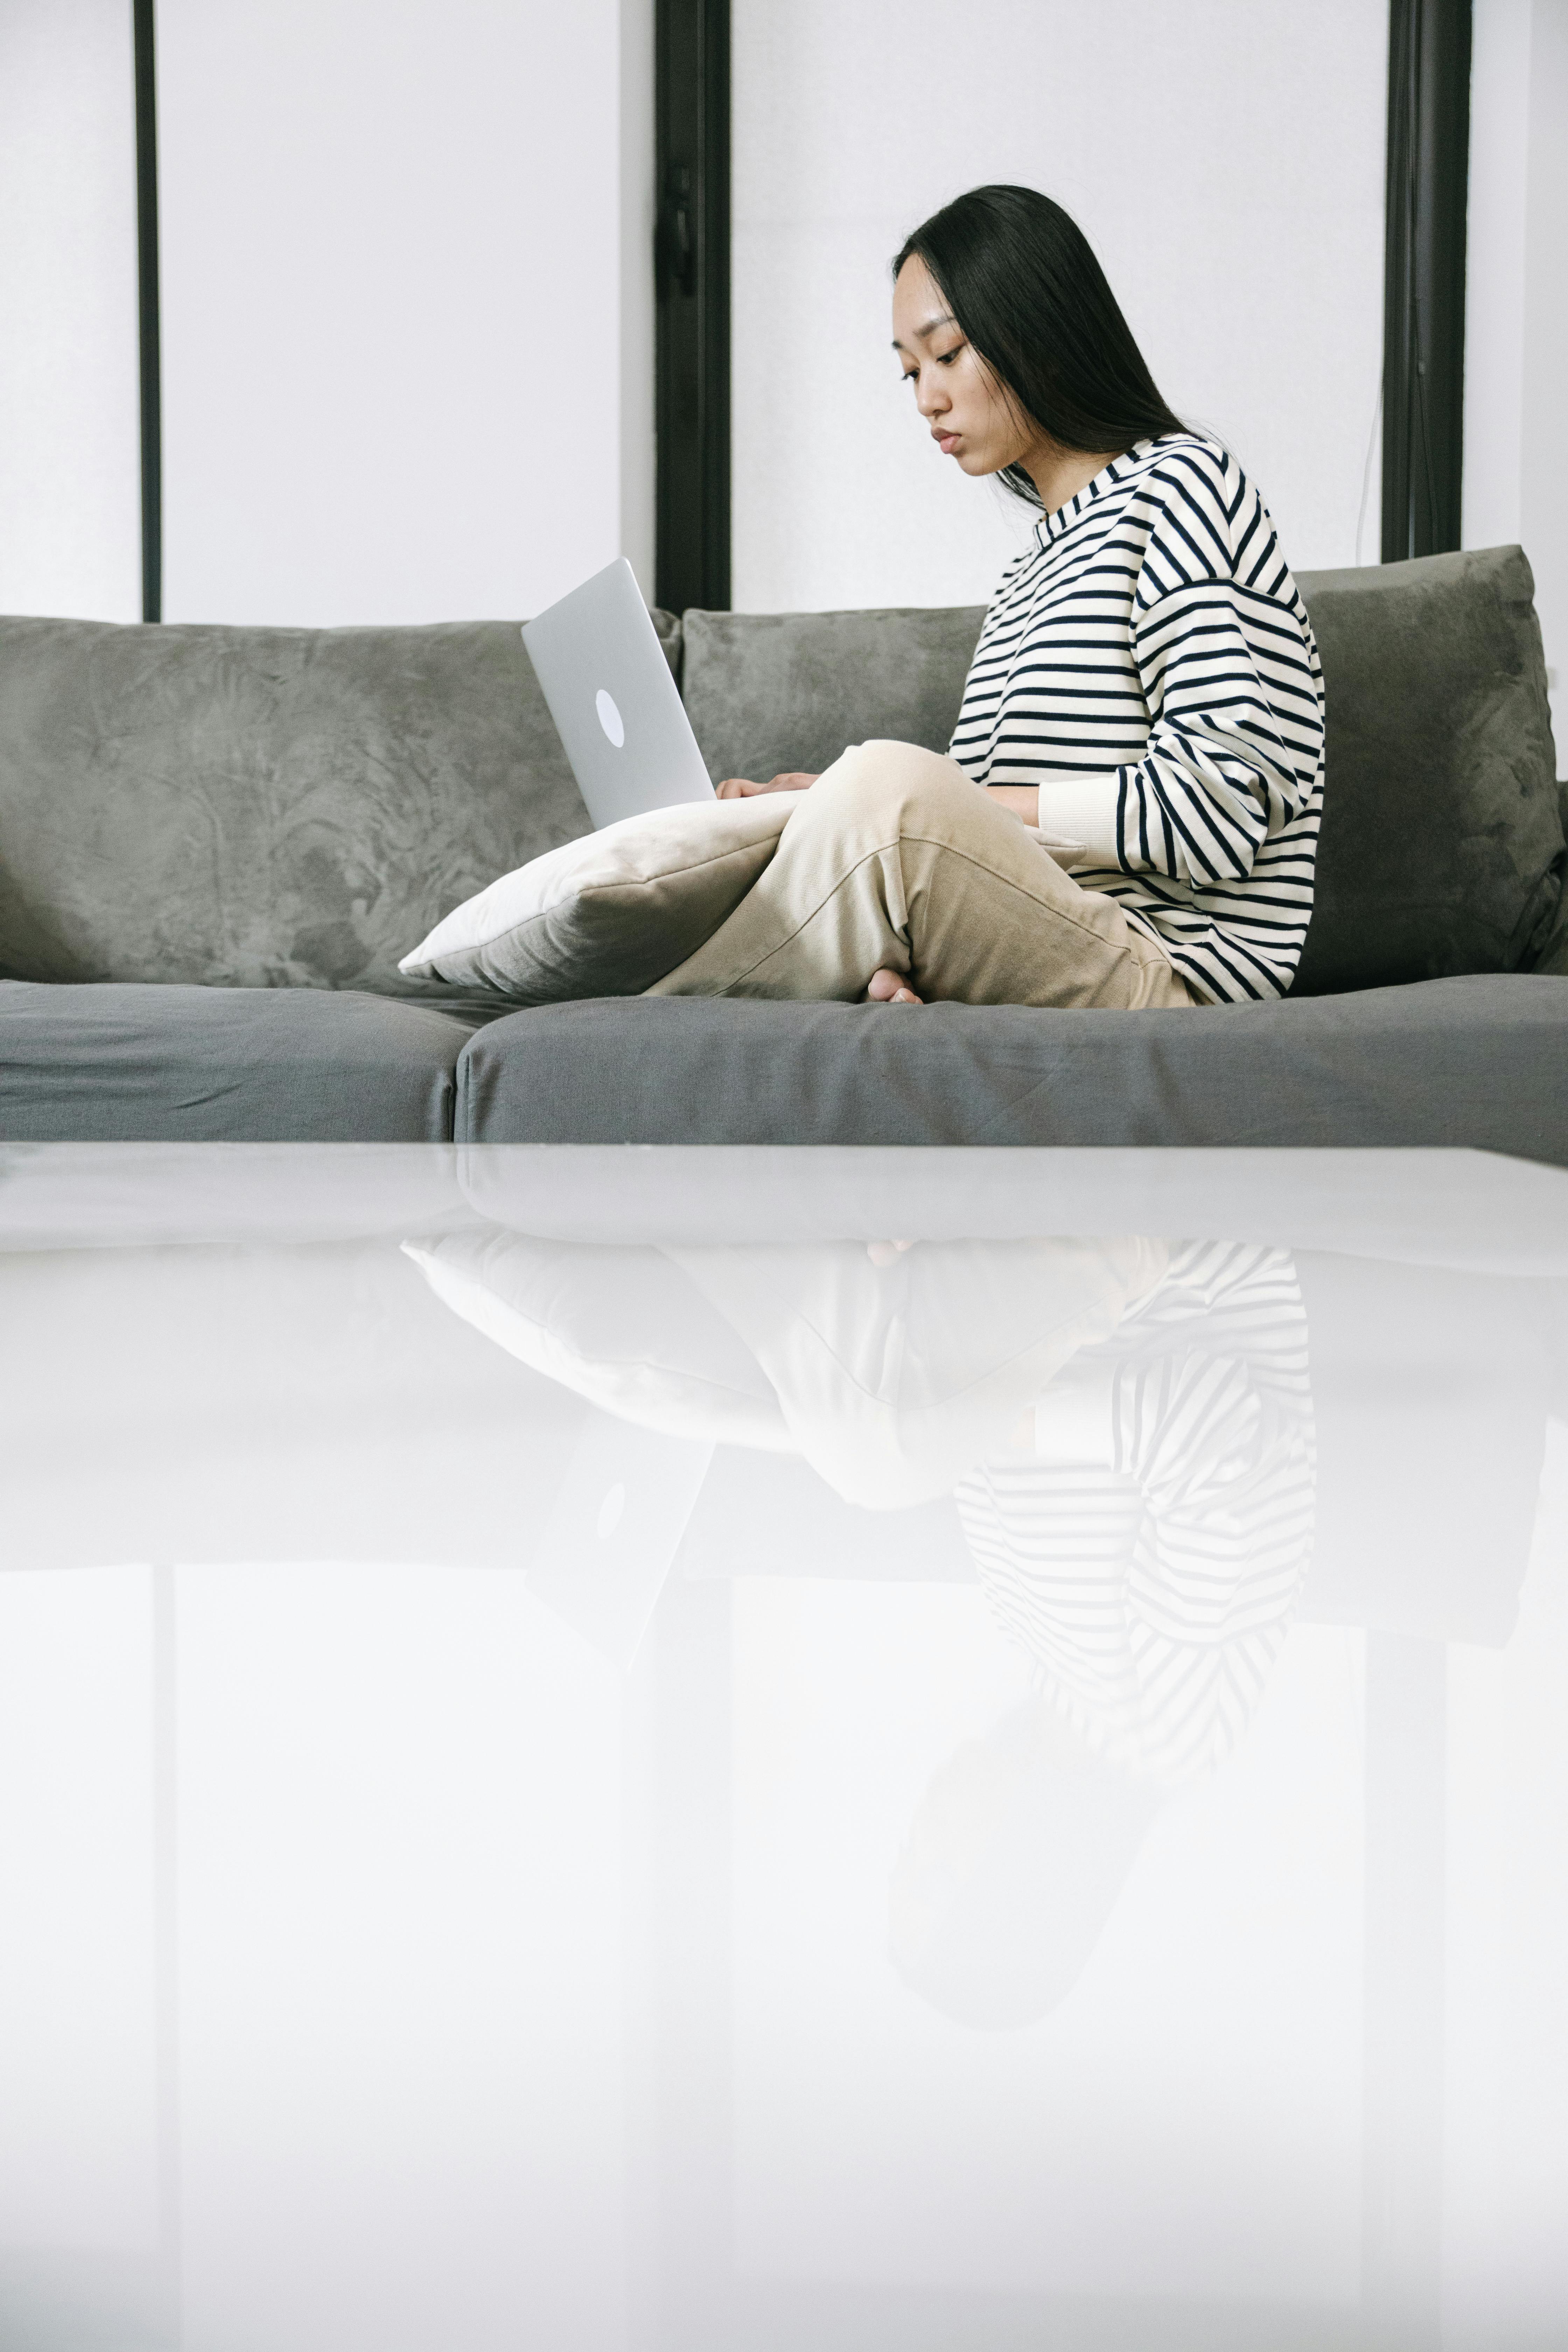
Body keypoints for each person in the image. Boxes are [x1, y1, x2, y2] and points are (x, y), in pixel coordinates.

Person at [647, 184, 1326, 1012]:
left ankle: (639, 1019)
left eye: (947, 353)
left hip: (1168, 969)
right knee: (824, 812)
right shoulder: (1029, 571)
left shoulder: (1182, 488)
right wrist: (829, 808)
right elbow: (996, 827)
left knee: (884, 785)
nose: (926, 398)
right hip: (1058, 931)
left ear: (1036, 328)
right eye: (908, 371)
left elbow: (1218, 810)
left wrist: (912, 811)